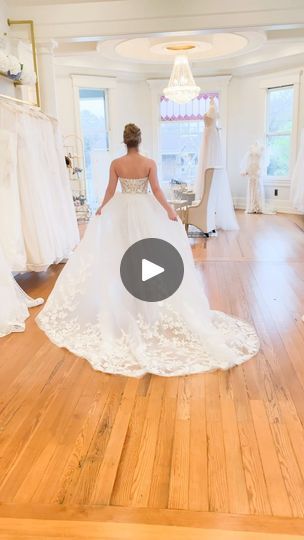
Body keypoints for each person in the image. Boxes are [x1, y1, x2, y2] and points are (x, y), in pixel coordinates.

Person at [36, 123, 259, 377]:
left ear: (124, 141)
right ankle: (144, 299)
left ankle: (129, 299)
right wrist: (168, 209)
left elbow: (111, 190)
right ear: (139, 141)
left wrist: (101, 208)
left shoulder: (116, 164)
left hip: (122, 212)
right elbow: (156, 190)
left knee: (124, 257)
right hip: (144, 211)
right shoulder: (149, 162)